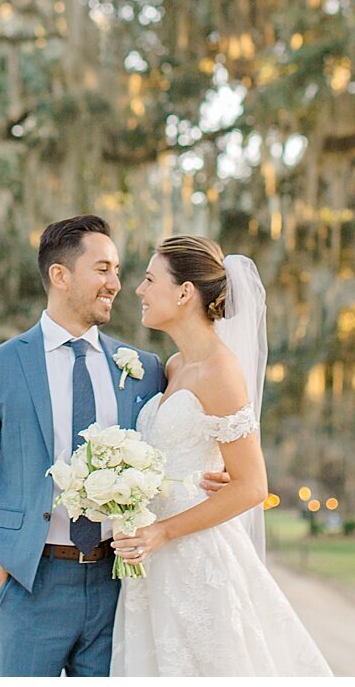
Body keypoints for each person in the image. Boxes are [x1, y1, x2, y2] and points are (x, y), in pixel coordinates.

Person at [0, 215, 231, 677]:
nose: (118, 283)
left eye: (117, 270)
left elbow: (182, 438)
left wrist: (209, 472)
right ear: (60, 275)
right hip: (29, 583)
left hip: (118, 584)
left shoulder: (145, 367)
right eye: (103, 270)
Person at [110, 236, 332, 676]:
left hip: (194, 557)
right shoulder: (173, 366)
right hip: (152, 562)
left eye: (150, 279)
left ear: (184, 292)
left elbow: (253, 486)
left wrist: (164, 531)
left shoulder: (221, 370)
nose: (138, 289)